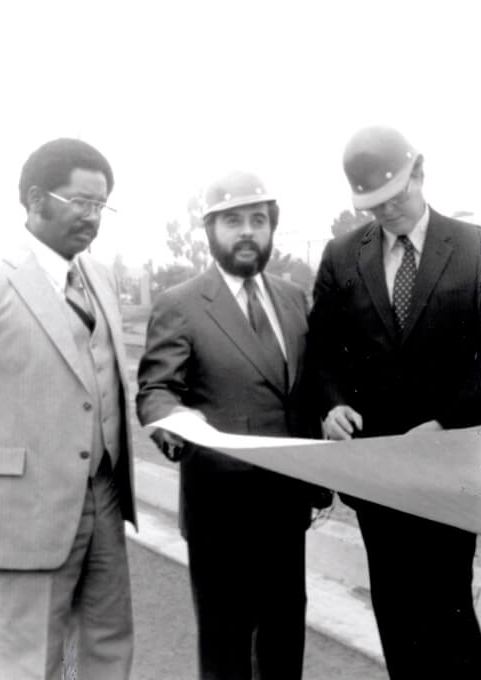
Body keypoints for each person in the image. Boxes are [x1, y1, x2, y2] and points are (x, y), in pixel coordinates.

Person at [308, 125, 481, 680]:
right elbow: (323, 352)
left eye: (395, 198)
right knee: (396, 617)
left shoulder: (477, 246)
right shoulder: (341, 256)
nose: (387, 213)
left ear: (420, 173)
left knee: (450, 612)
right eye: (373, 206)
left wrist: (448, 422)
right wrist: (331, 405)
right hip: (377, 471)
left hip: (448, 464)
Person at [136, 170, 325, 680]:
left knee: (285, 642)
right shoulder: (181, 303)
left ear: (271, 228)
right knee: (225, 649)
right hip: (220, 507)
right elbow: (156, 389)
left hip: (286, 507)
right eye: (233, 221)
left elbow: (303, 388)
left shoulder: (291, 298)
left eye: (258, 220)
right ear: (210, 232)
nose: (247, 232)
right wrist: (173, 421)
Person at [0, 138, 135, 679]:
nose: (93, 218)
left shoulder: (100, 277)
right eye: (81, 202)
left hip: (103, 496)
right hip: (25, 506)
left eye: (102, 206)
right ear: (35, 199)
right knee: (28, 661)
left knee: (108, 646)